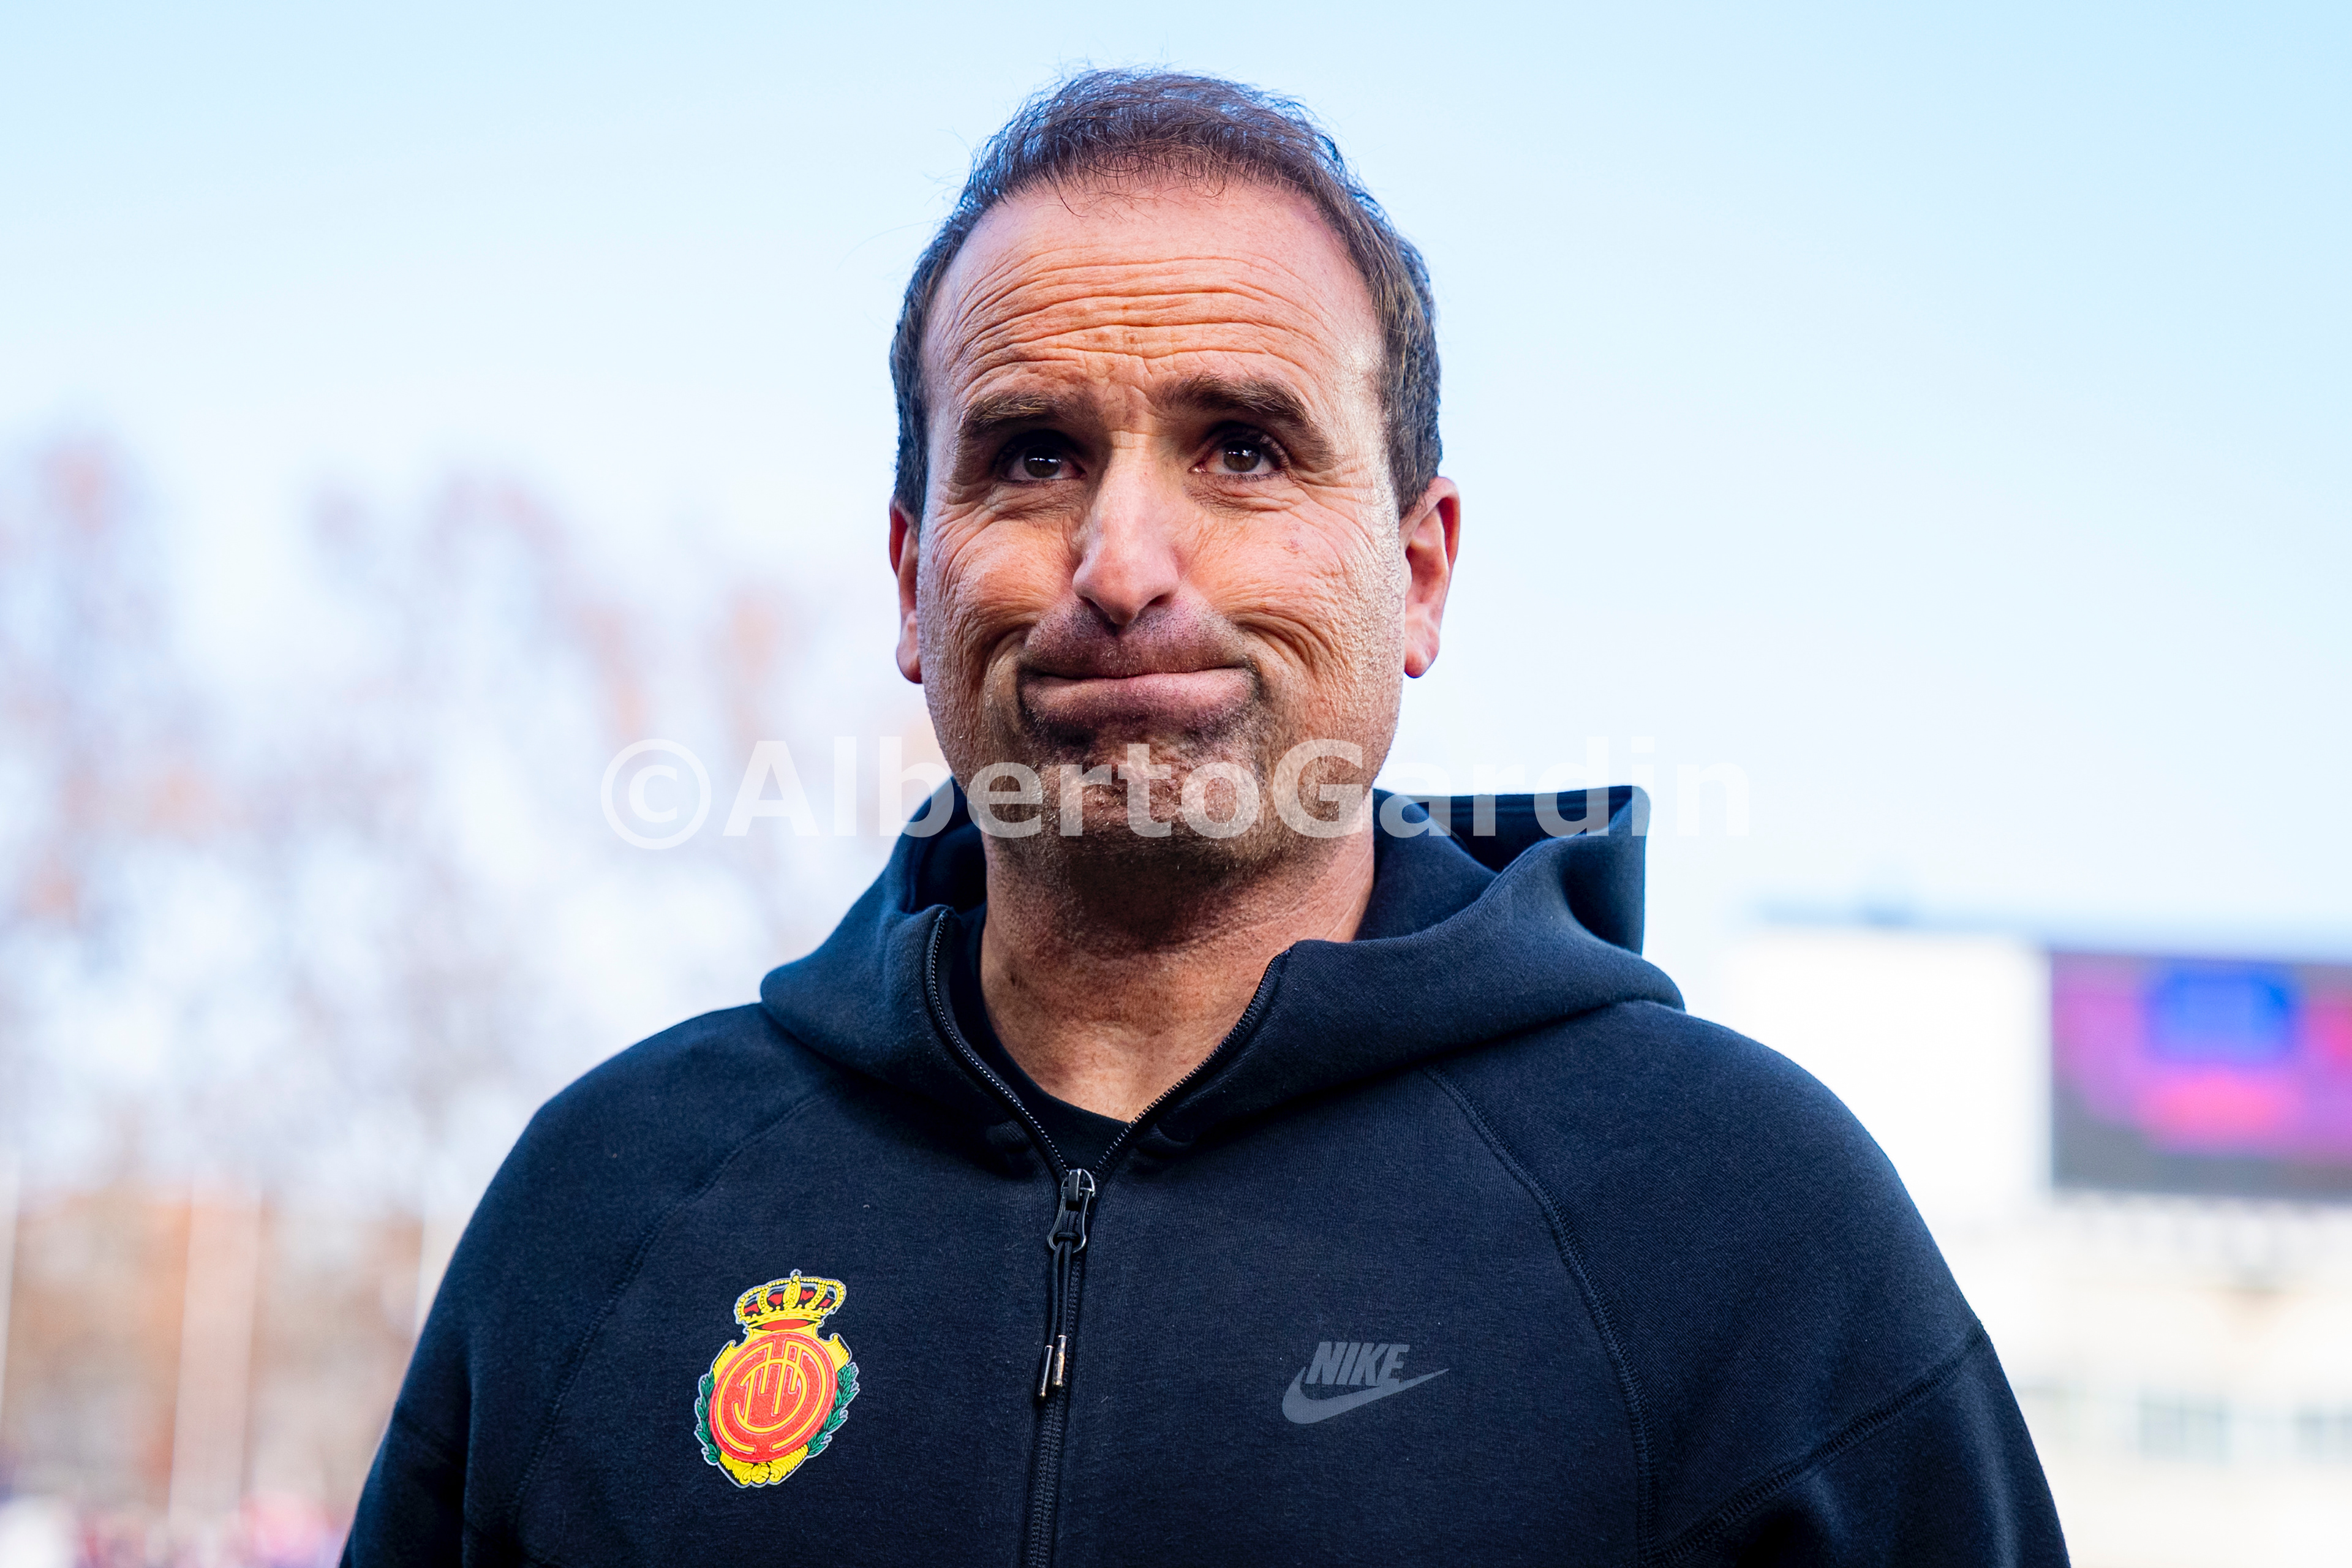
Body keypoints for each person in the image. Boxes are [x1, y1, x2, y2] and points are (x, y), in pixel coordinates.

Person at [346, 70, 2067, 1566]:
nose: (1121, 567)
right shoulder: (609, 1205)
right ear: (912, 578)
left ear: (1417, 572)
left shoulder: (1745, 1227)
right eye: (1031, 455)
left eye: (1242, 448)